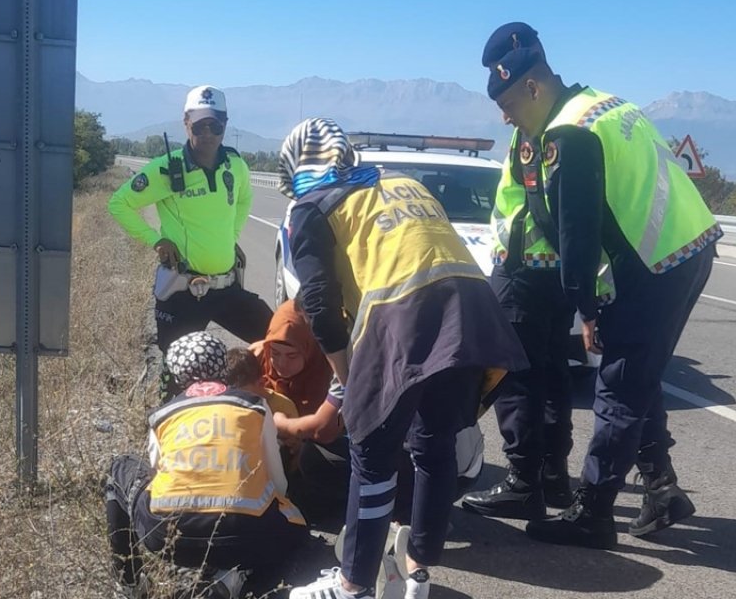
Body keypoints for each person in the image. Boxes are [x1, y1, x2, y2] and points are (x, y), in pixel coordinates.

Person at [480, 22, 722, 549]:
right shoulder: (601, 104)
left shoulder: (567, 134)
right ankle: (661, 489)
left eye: (507, 103)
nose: (504, 117)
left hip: (652, 264)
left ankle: (593, 513)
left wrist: (586, 311)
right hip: (689, 246)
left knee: (617, 384)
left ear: (533, 88)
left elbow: (577, 236)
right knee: (638, 374)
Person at [278, 118, 527, 599]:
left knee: (371, 452)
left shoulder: (311, 206)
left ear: (296, 169)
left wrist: (349, 380)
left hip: (403, 317)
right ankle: (417, 575)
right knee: (435, 447)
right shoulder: (397, 181)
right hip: (471, 311)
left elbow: (320, 308)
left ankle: (352, 586)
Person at [104, 332, 307, 598]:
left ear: (178, 376)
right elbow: (277, 480)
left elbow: (158, 475)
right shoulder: (254, 406)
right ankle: (235, 575)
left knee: (119, 467)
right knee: (295, 531)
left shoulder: (163, 415)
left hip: (167, 536)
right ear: (222, 365)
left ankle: (130, 581)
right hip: (243, 535)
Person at [460, 129, 585, 521]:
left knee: (516, 379)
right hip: (559, 272)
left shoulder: (533, 130)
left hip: (522, 269)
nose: (504, 113)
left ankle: (523, 483)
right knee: (552, 375)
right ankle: (553, 477)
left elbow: (527, 199)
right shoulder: (571, 129)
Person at [106, 85, 273, 355]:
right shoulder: (165, 169)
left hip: (227, 289)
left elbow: (243, 200)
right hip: (183, 293)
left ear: (225, 125)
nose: (207, 133)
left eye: (214, 126)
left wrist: (231, 237)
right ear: (186, 124)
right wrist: (155, 240)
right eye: (199, 126)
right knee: (176, 378)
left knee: (280, 340)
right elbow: (119, 203)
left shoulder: (235, 165)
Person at [249, 299, 334, 416]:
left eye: (292, 356)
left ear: (308, 351)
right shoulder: (254, 359)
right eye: (275, 353)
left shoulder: (331, 371)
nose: (282, 363)